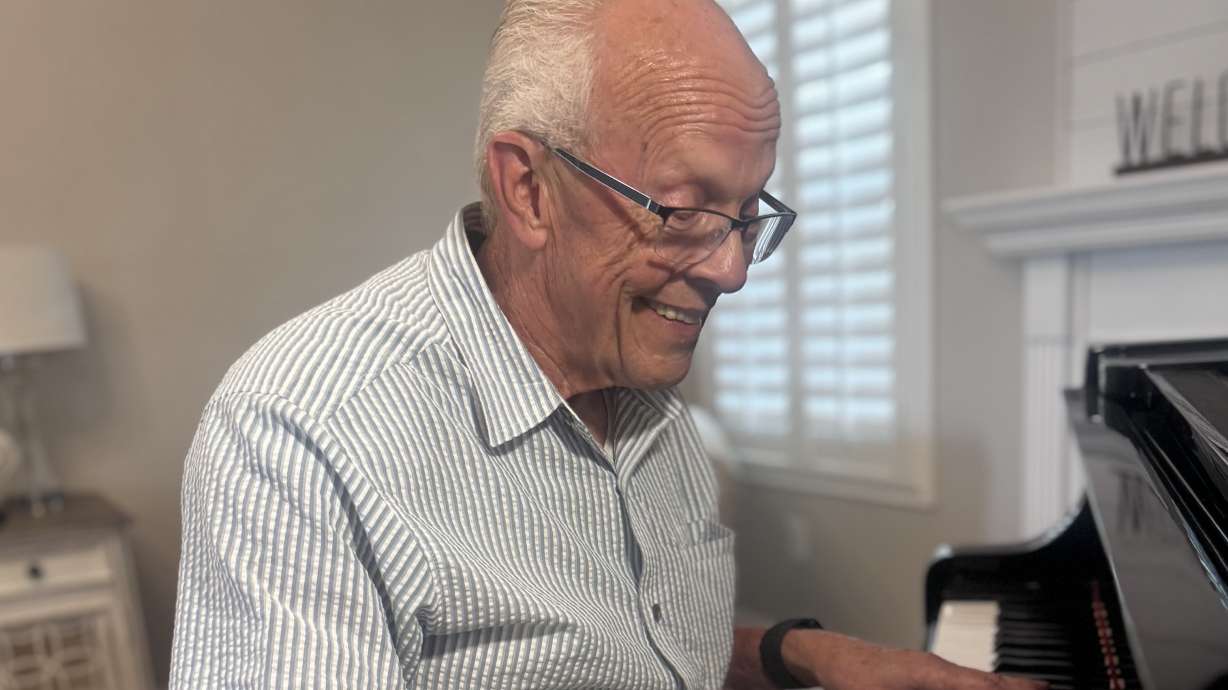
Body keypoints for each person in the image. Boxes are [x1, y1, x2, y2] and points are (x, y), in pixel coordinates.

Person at [169, 1, 1045, 688]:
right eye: (686, 210)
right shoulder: (297, 437)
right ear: (530, 190)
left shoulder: (644, 388)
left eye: (746, 216)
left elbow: (627, 652)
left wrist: (798, 657)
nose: (733, 269)